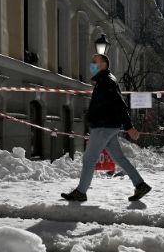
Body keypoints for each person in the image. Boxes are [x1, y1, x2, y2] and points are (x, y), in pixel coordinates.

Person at [61, 53, 151, 202]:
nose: (91, 65)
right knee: (119, 158)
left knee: (89, 159)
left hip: (103, 126)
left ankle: (81, 192)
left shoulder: (106, 81)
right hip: (107, 126)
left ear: (103, 65)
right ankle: (140, 185)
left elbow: (120, 105)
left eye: (94, 62)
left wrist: (129, 127)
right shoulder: (104, 81)